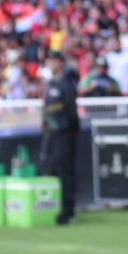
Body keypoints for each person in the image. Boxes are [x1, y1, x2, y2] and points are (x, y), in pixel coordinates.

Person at [38, 51, 80, 226]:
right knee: (50, 169)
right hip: (51, 134)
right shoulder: (50, 84)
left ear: (61, 63)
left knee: (65, 172)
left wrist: (72, 129)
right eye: (49, 61)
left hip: (63, 133)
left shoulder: (65, 84)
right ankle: (54, 207)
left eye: (55, 60)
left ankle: (68, 211)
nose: (51, 63)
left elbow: (72, 110)